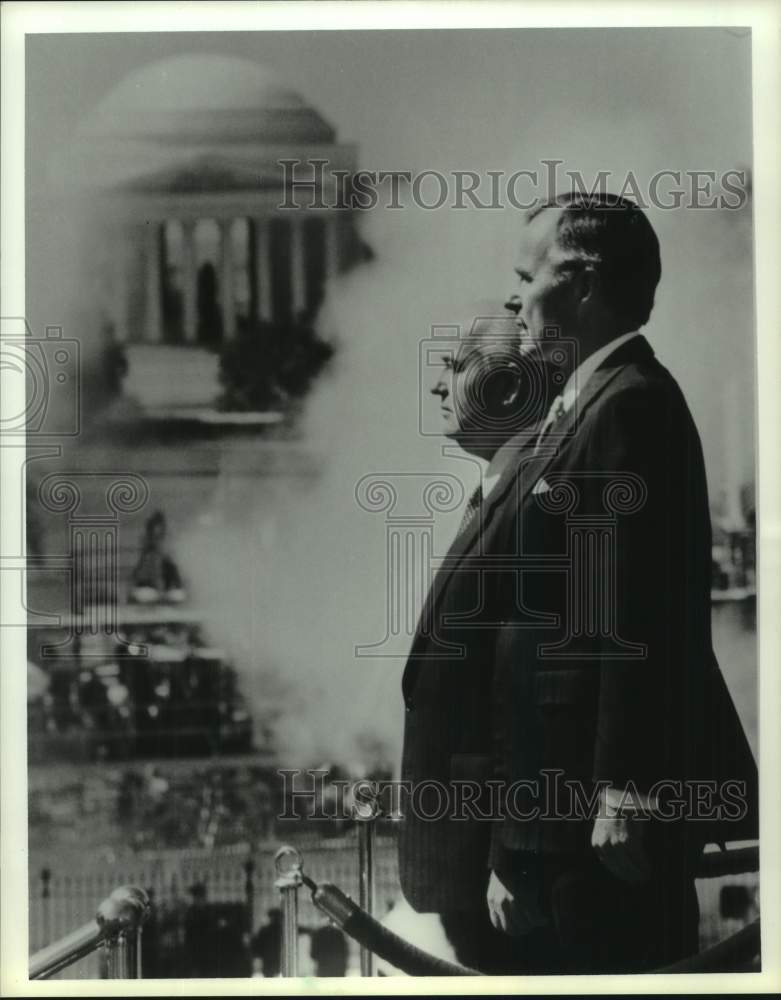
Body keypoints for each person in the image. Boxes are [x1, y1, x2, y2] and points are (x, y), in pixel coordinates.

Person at [398, 193, 758, 974]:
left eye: (528, 277)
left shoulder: (628, 406)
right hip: (554, 828)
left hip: (584, 832)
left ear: (584, 284)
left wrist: (619, 790)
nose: (514, 298)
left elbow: (631, 625)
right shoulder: (589, 406)